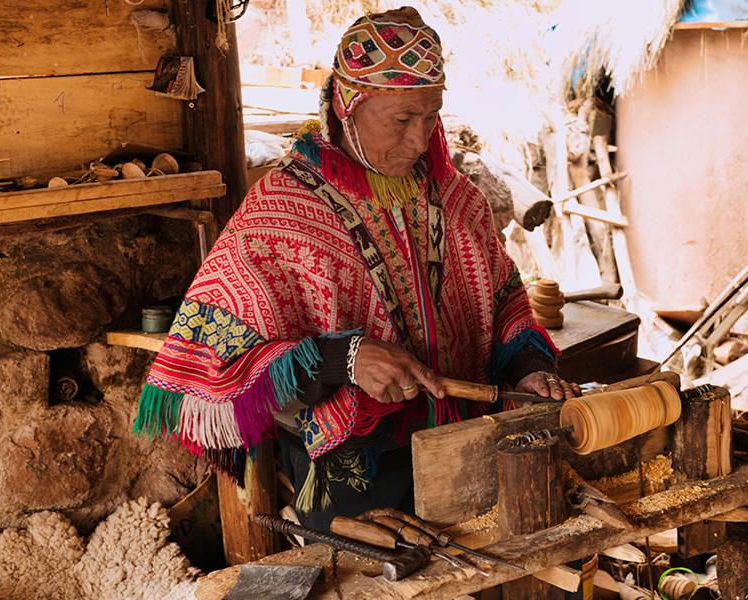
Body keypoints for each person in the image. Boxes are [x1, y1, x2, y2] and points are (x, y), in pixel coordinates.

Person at [134, 6, 580, 530]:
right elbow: (220, 358)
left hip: (471, 451)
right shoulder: (280, 211)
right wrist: (344, 358)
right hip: (356, 478)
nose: (420, 140)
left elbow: (503, 298)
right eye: (402, 120)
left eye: (431, 116)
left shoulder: (457, 199)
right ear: (348, 105)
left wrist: (529, 368)